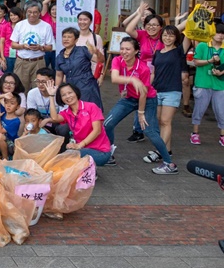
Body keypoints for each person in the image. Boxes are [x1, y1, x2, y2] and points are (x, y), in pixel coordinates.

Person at [103, 37, 177, 173]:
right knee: (108, 124)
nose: (124, 52)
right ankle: (109, 155)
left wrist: (141, 113)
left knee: (149, 131)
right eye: (122, 48)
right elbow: (114, 78)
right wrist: (132, 80)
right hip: (129, 98)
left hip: (147, 100)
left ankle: (169, 164)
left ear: (136, 51)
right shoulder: (117, 60)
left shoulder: (143, 68)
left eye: (128, 49)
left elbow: (144, 93)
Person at [142, 24, 189, 163]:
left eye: (171, 35)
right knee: (161, 122)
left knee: (166, 121)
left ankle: (159, 151)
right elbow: (154, 72)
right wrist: (147, 87)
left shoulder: (179, 51)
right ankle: (167, 150)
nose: (167, 38)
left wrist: (196, 15)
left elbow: (190, 33)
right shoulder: (158, 52)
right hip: (157, 90)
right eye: (165, 35)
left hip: (172, 91)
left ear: (176, 37)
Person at [45, 81, 111, 167]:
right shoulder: (67, 112)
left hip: (100, 152)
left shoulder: (91, 107)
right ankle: (87, 172)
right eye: (64, 95)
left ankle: (89, 172)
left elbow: (97, 130)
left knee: (67, 158)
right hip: (82, 149)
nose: (68, 96)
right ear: (61, 99)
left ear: (76, 93)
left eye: (70, 92)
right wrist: (51, 96)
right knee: (62, 157)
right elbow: (54, 118)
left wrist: (80, 145)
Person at [190, 22, 224, 147]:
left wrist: (221, 72)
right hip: (203, 82)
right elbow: (196, 62)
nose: (220, 36)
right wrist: (210, 61)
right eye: (218, 32)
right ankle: (195, 133)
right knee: (199, 109)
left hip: (220, 84)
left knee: (221, 111)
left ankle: (222, 136)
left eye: (222, 33)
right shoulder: (203, 46)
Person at [55, 27, 105, 110]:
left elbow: (101, 60)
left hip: (87, 86)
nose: (66, 39)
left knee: (90, 111)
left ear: (76, 40)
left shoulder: (83, 50)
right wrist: (57, 90)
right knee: (75, 112)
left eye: (69, 37)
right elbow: (59, 75)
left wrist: (96, 52)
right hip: (71, 88)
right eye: (64, 37)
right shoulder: (59, 56)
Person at [10, 1, 54, 91]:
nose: (32, 15)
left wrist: (40, 47)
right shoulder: (20, 25)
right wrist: (23, 46)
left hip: (39, 61)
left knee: (39, 89)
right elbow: (13, 44)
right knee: (20, 89)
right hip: (22, 61)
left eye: (35, 12)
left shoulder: (46, 26)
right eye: (29, 12)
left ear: (39, 13)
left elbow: (50, 47)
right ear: (26, 12)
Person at [0, 93, 24, 160]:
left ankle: (5, 158)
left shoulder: (15, 121)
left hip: (11, 145)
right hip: (2, 143)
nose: (8, 106)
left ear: (17, 107)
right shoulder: (4, 112)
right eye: (6, 103)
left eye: (12, 103)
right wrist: (3, 95)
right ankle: (1, 154)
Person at [40, 0, 58, 70]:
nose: (54, 11)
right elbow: (44, 3)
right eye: (53, 9)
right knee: (43, 69)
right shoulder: (46, 17)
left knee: (56, 70)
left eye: (57, 10)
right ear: (50, 10)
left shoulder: (62, 20)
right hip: (46, 47)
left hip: (58, 49)